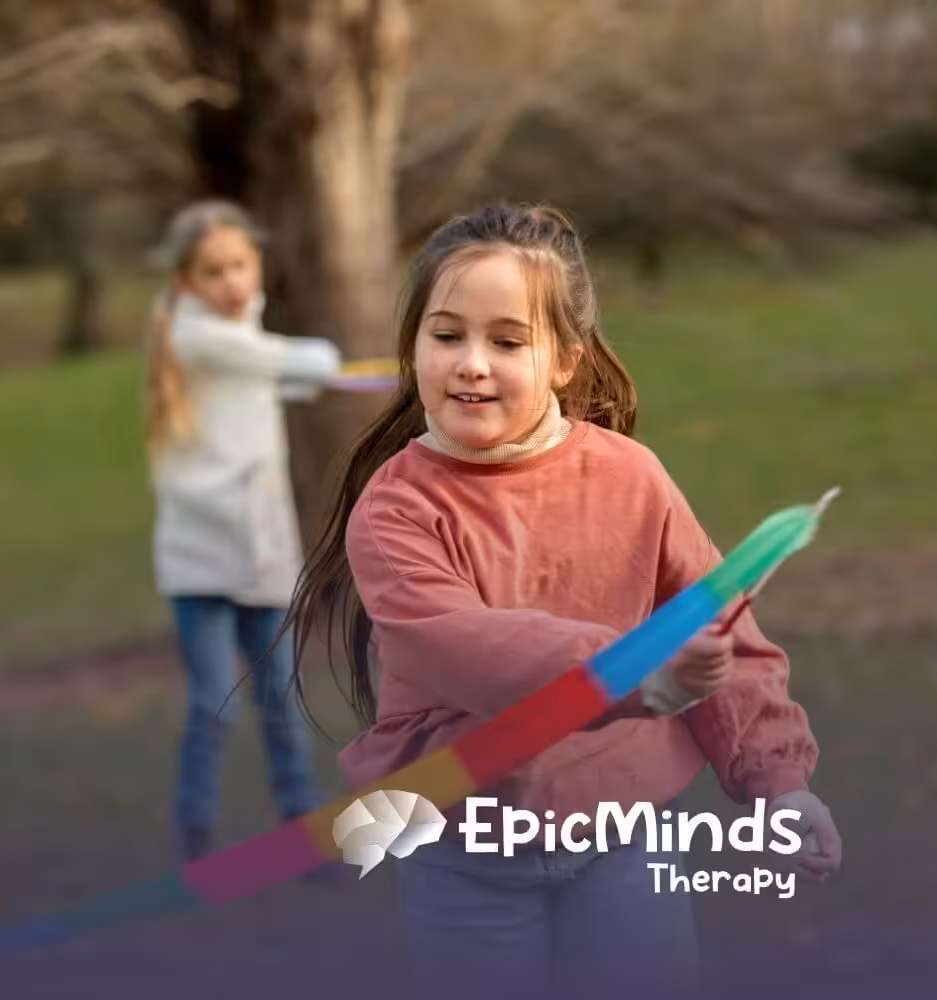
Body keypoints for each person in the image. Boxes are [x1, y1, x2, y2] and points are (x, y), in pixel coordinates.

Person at [285, 203, 841, 996]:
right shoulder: (397, 507)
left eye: (507, 341)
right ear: (413, 350)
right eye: (447, 336)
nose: (472, 363)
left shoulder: (630, 476)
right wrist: (631, 673)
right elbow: (461, 646)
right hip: (460, 843)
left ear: (564, 361)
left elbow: (724, 632)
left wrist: (781, 783)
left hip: (626, 836)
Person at [144, 199, 340, 862]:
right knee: (215, 705)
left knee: (283, 702)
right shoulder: (194, 336)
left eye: (238, 265)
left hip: (262, 552)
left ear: (257, 264)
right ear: (184, 282)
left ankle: (304, 833)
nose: (230, 282)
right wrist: (321, 365)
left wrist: (298, 377)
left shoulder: (233, 342)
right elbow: (310, 361)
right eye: (211, 271)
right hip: (201, 557)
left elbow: (274, 382)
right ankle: (194, 831)